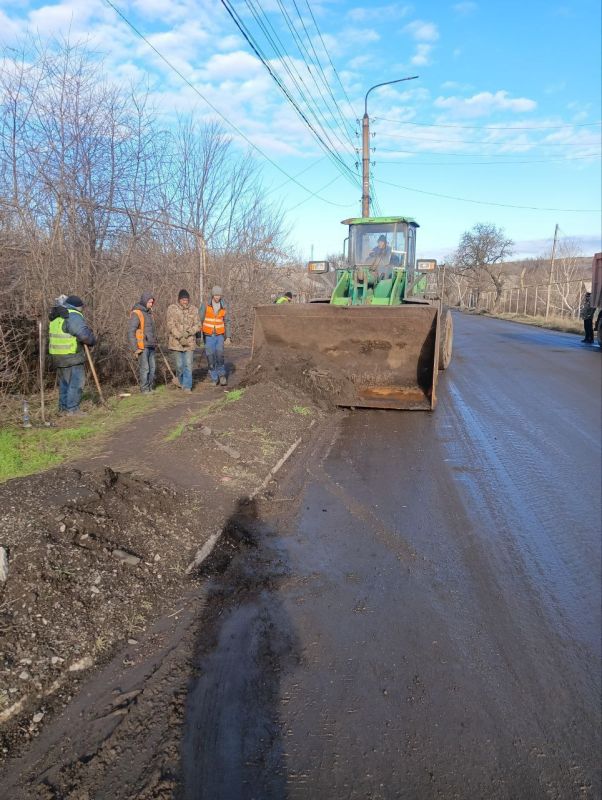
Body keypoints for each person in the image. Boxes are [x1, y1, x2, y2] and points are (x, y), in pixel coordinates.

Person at [48, 294, 96, 415]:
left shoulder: (57, 314)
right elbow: (84, 335)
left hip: (58, 355)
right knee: (76, 383)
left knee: (64, 383)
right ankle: (73, 410)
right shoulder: (73, 315)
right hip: (72, 355)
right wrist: (92, 340)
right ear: (78, 307)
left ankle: (63, 409)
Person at [166, 289, 201, 392]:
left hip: (189, 342)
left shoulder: (194, 309)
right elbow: (170, 325)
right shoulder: (172, 309)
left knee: (188, 365)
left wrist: (188, 333)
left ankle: (187, 386)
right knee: (179, 366)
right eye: (183, 299)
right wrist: (180, 337)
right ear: (179, 299)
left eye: (186, 299)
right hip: (176, 343)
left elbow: (198, 325)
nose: (185, 301)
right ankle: (180, 382)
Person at [199, 286, 231, 386]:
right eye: (216, 295)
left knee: (220, 355)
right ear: (212, 295)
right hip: (208, 335)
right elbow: (199, 320)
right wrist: (198, 336)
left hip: (219, 335)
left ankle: (222, 376)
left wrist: (228, 337)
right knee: (210, 357)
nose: (217, 297)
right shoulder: (205, 305)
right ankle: (214, 377)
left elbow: (227, 321)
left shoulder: (224, 306)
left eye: (219, 295)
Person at [128, 291, 157, 393]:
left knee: (152, 368)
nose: (151, 304)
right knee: (145, 368)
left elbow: (152, 330)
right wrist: (135, 348)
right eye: (150, 302)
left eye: (152, 302)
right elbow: (131, 332)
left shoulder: (150, 313)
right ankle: (144, 389)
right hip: (142, 346)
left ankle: (150, 387)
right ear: (145, 301)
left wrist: (155, 341)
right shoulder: (137, 313)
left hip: (151, 345)